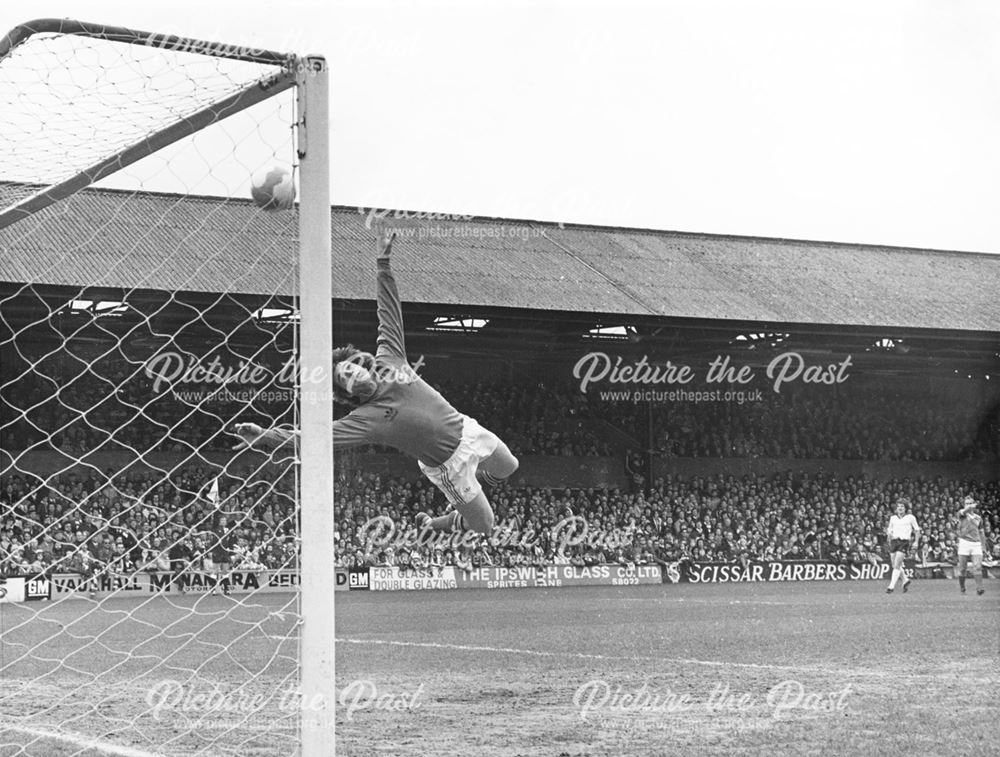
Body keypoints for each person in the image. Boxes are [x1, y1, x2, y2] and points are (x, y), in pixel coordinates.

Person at [232, 228, 519, 536]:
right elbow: (315, 437)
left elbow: (389, 312)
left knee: (508, 466)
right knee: (485, 526)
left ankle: (463, 500)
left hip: (467, 429)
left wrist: (383, 263)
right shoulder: (367, 418)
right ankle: (437, 523)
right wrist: (265, 435)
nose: (353, 373)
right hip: (449, 465)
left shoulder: (391, 359)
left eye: (351, 367)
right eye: (345, 379)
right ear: (348, 394)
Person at [885, 498, 919, 594]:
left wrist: (916, 541)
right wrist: (889, 536)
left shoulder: (911, 518)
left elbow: (917, 530)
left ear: (906, 508)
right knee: (894, 564)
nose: (900, 508)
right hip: (894, 541)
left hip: (904, 542)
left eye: (902, 506)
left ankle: (891, 586)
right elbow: (890, 529)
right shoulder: (893, 518)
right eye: (898, 506)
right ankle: (905, 580)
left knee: (897, 564)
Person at [955, 495, 987, 595]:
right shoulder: (961, 514)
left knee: (977, 566)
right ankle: (962, 588)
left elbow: (981, 532)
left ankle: (979, 588)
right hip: (964, 543)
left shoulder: (978, 518)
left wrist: (984, 546)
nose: (968, 505)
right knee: (962, 568)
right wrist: (971, 505)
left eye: (970, 503)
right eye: (967, 503)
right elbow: (965, 510)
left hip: (976, 544)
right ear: (964, 505)